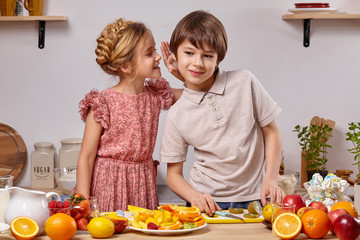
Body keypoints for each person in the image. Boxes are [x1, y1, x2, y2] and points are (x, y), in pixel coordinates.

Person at [160, 10, 285, 216]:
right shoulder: (176, 114)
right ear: (175, 55)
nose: (198, 63)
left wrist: (271, 180)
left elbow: (272, 132)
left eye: (207, 56)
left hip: (256, 198)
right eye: (189, 53)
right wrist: (194, 196)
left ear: (218, 59)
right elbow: (173, 175)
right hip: (207, 204)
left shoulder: (245, 81)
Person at [75, 18, 182, 212]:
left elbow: (195, 94)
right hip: (108, 188)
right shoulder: (102, 103)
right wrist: (83, 205)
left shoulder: (156, 95)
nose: (158, 57)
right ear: (125, 66)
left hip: (143, 186)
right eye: (149, 53)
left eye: (155, 50)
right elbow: (86, 157)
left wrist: (178, 73)